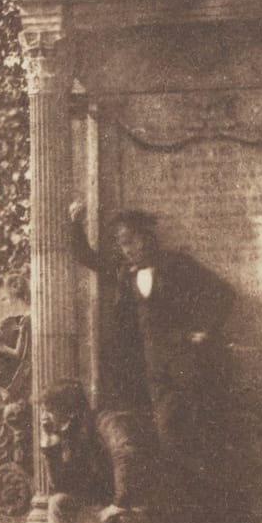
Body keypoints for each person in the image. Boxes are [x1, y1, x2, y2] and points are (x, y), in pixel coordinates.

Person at [68, 202, 232, 473]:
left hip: (185, 361)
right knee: (167, 432)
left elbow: (223, 293)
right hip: (152, 366)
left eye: (129, 242)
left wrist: (206, 330)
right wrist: (76, 223)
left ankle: (209, 488)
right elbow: (88, 258)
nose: (126, 250)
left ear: (145, 237)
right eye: (121, 244)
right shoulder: (124, 272)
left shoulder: (176, 264)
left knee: (199, 428)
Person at [37, 379, 155, 523]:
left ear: (68, 409)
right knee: (57, 502)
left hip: (130, 503)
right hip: (101, 505)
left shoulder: (106, 422)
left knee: (127, 520)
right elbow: (61, 485)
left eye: (49, 409)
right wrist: (49, 445)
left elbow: (126, 457)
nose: (45, 416)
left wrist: (118, 504)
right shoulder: (68, 434)